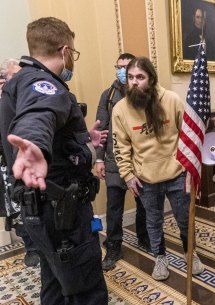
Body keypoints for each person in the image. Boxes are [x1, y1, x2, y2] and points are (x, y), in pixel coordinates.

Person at [0, 17, 108, 304]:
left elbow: (52, 127)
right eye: (72, 52)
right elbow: (38, 114)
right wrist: (33, 144)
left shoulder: (21, 79)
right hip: (63, 214)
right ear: (65, 51)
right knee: (86, 291)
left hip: (43, 210)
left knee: (55, 283)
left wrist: (85, 141)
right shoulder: (42, 83)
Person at [111, 57, 204, 281]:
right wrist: (128, 175)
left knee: (184, 218)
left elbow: (188, 136)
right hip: (145, 179)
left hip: (176, 174)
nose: (134, 82)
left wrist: (190, 169)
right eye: (130, 77)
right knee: (153, 221)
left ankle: (190, 252)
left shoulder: (171, 100)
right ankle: (160, 257)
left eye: (140, 77)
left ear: (151, 79)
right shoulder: (120, 110)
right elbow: (120, 147)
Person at [95, 53, 150, 271]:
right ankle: (114, 247)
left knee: (144, 205)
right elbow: (100, 129)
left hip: (141, 160)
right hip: (114, 161)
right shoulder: (108, 95)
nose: (122, 71)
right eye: (118, 67)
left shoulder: (145, 94)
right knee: (114, 208)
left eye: (126, 67)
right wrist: (98, 159)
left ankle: (144, 238)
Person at [0, 58, 41, 268]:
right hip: (8, 168)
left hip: (32, 166)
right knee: (18, 212)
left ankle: (41, 246)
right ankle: (31, 248)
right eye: (14, 77)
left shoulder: (31, 99)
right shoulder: (4, 102)